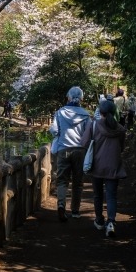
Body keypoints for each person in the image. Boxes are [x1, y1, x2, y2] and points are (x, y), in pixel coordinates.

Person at [82, 99, 127, 238]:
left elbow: (84, 143)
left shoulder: (93, 125)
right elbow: (122, 147)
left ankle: (99, 220)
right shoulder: (120, 128)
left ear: (100, 112)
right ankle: (111, 222)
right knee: (112, 195)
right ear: (114, 112)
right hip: (113, 165)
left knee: (98, 195)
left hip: (97, 166)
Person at [49, 86, 91, 222]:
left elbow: (54, 130)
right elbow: (89, 133)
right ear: (81, 98)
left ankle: (61, 206)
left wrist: (61, 134)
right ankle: (75, 211)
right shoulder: (85, 114)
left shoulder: (60, 113)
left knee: (62, 180)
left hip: (63, 149)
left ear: (68, 97)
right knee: (78, 182)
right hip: (80, 151)